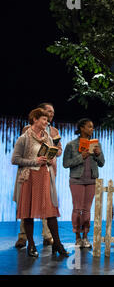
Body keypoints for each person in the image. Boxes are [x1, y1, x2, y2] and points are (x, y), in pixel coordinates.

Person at [11, 108, 68, 257]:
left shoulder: (48, 138)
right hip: (29, 178)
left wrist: (50, 159)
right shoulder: (24, 138)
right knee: (28, 212)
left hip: (45, 177)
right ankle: (31, 244)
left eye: (47, 119)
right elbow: (15, 159)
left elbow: (53, 155)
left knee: (50, 212)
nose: (46, 121)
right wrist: (34, 161)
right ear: (35, 119)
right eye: (43, 119)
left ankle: (57, 244)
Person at [63, 118, 105, 248]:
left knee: (87, 210)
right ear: (82, 128)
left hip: (91, 180)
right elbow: (66, 164)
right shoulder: (71, 145)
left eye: (93, 127)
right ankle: (77, 237)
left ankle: (86, 236)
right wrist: (81, 157)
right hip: (77, 180)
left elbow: (102, 163)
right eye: (89, 127)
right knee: (77, 208)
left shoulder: (96, 144)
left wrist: (98, 154)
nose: (92, 129)